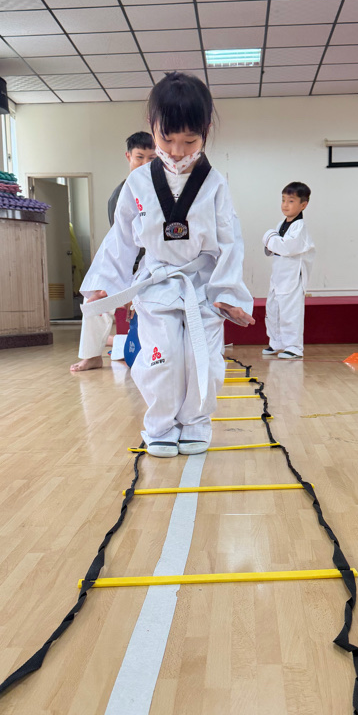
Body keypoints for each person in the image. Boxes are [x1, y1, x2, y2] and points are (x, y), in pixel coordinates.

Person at [80, 72, 254, 458]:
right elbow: (121, 238)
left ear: (206, 131)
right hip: (157, 282)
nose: (176, 150)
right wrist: (105, 282)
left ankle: (195, 423)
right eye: (166, 139)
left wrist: (228, 292)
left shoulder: (215, 183)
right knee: (162, 358)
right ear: (151, 126)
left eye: (189, 141)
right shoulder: (138, 183)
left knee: (201, 359)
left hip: (202, 284)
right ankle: (160, 426)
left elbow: (230, 240)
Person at [70, 132, 155, 373]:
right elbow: (122, 244)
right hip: (128, 264)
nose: (145, 164)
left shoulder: (164, 189)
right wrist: (123, 288)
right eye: (139, 157)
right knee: (94, 298)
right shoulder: (119, 196)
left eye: (152, 158)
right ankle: (92, 356)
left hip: (156, 263)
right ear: (128, 157)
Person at [261, 181, 315, 360]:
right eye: (283, 200)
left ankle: (294, 346)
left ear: (303, 205)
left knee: (290, 312)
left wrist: (268, 236)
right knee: (273, 309)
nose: (285, 205)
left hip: (292, 277)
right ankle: (276, 342)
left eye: (291, 201)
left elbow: (286, 247)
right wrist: (272, 239)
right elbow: (272, 248)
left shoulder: (300, 227)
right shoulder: (280, 224)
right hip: (278, 275)